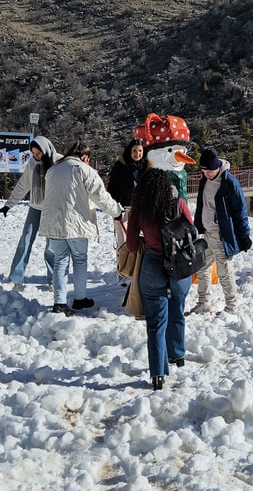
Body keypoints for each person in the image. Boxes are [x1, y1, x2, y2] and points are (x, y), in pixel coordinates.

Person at [125, 168, 193, 390]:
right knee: (177, 307)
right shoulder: (179, 204)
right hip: (179, 265)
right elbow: (191, 231)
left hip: (152, 265)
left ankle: (158, 374)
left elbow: (133, 246)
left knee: (156, 321)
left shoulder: (140, 209)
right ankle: (177, 354)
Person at [39, 142, 123, 314]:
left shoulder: (53, 170)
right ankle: (79, 298)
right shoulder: (84, 169)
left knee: (60, 261)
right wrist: (117, 211)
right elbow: (100, 196)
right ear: (85, 157)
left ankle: (59, 303)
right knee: (79, 260)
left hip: (54, 223)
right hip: (77, 223)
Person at [0, 136, 61, 288]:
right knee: (25, 240)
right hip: (35, 207)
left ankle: (53, 280)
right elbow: (23, 185)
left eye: (38, 153)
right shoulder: (32, 164)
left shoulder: (59, 162)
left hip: (52, 209)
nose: (36, 156)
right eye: (33, 153)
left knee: (51, 246)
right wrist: (8, 205)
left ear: (46, 149)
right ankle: (15, 277)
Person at [192, 149, 253, 314]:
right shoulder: (204, 181)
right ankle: (204, 302)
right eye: (204, 171)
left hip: (221, 235)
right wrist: (197, 224)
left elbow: (240, 210)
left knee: (224, 271)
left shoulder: (229, 182)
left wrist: (244, 234)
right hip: (206, 233)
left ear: (218, 166)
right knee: (202, 268)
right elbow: (202, 205)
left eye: (209, 171)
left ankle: (232, 306)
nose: (207, 174)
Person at [106, 139, 146, 278]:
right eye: (134, 151)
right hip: (123, 209)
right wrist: (115, 206)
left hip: (141, 210)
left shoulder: (147, 166)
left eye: (140, 151)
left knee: (140, 240)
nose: (137, 153)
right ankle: (122, 270)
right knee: (123, 241)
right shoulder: (120, 166)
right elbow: (112, 188)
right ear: (129, 151)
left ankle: (137, 268)